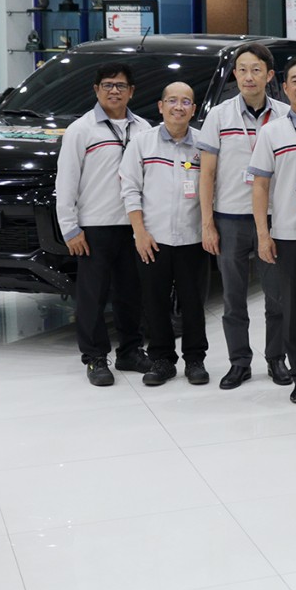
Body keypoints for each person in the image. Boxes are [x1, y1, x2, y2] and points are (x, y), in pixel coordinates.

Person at [197, 43, 291, 390]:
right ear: (234, 75)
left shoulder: (285, 115)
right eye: (242, 69)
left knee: (277, 296)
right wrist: (208, 223)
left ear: (269, 76)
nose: (248, 76)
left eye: (256, 70)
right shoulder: (220, 116)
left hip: (273, 218)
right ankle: (239, 361)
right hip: (231, 218)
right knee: (233, 297)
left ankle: (276, 359)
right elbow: (206, 174)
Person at [56, 62, 152, 385]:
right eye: (108, 85)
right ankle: (96, 357)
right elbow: (66, 181)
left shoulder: (144, 129)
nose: (114, 90)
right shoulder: (81, 130)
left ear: (131, 91)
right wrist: (70, 227)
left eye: (121, 85)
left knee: (131, 293)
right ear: (96, 90)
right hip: (94, 227)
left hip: (134, 226)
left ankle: (130, 350)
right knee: (92, 295)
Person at [247, 56, 296, 403]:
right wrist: (263, 234)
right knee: (292, 313)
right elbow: (260, 186)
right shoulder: (272, 132)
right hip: (289, 237)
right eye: (295, 80)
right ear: (285, 87)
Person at [120, 82, 208, 386]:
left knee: (194, 301)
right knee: (154, 301)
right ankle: (161, 359)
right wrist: (139, 232)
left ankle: (195, 359)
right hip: (152, 239)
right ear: (161, 106)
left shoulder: (204, 145)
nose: (178, 107)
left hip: (193, 238)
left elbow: (213, 188)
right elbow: (129, 188)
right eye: (172, 100)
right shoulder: (143, 143)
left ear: (193, 110)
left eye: (186, 102)